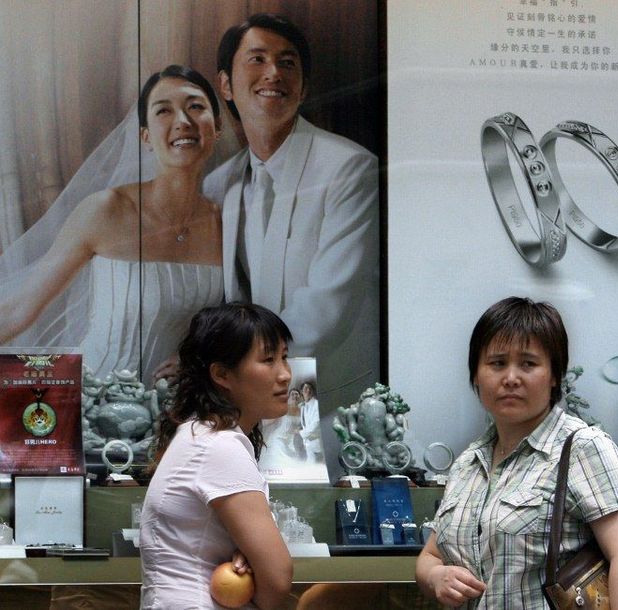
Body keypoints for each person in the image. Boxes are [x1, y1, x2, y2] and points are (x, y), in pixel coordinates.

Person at [415, 297, 618, 609]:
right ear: (476, 374)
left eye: (528, 363)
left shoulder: (581, 447)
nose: (511, 378)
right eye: (497, 363)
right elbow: (430, 556)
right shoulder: (467, 464)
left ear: (554, 375)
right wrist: (436, 577)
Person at [0, 65, 224, 387]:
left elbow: (239, 324)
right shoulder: (106, 209)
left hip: (181, 408)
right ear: (145, 137)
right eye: (164, 110)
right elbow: (19, 308)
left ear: (216, 128)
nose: (183, 122)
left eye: (195, 107)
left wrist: (200, 359)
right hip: (92, 403)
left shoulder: (226, 224)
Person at [204, 12, 379, 414]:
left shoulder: (348, 167)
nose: (274, 74)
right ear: (226, 85)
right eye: (257, 59)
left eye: (287, 63)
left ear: (302, 88)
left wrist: (242, 366)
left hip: (329, 400)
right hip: (237, 401)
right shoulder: (219, 184)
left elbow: (326, 307)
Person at [140, 302, 293, 609]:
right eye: (268, 360)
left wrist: (249, 557)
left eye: (284, 358)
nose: (285, 375)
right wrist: (254, 567)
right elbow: (277, 579)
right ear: (222, 374)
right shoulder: (220, 445)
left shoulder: (202, 434)